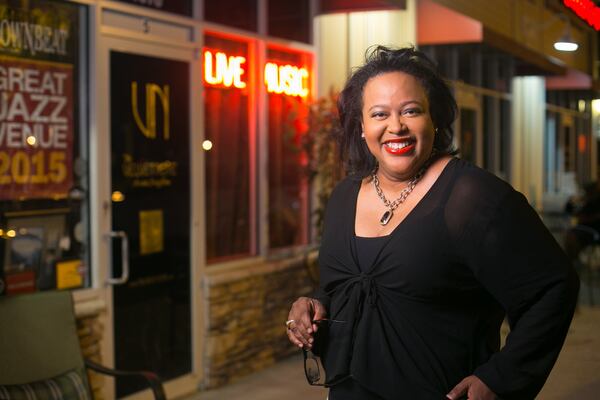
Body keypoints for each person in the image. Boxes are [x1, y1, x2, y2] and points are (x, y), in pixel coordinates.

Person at [285, 46, 579, 400]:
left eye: (411, 111)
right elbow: (345, 289)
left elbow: (552, 287)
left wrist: (501, 378)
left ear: (434, 119)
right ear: (362, 127)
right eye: (379, 114)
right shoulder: (344, 197)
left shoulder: (471, 198)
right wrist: (312, 305)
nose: (396, 127)